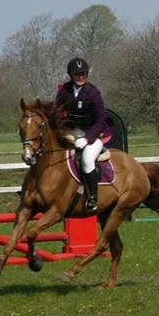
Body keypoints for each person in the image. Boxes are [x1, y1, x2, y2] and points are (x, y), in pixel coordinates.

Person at [55, 57, 112, 212]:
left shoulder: (93, 93)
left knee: (87, 160)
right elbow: (57, 113)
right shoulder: (64, 91)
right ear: (71, 75)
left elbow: (101, 120)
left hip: (94, 133)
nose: (80, 77)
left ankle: (93, 198)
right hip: (73, 132)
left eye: (83, 74)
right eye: (77, 74)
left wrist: (87, 139)